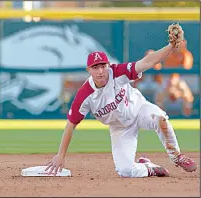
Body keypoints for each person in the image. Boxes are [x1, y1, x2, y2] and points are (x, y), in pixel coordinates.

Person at [45, 23, 197, 178]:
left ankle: (176, 156)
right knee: (125, 171)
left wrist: (171, 46)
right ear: (88, 70)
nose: (100, 71)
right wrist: (60, 155)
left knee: (160, 119)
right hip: (120, 128)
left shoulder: (117, 72)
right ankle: (149, 167)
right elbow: (71, 124)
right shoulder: (85, 95)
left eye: (103, 66)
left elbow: (147, 62)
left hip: (139, 110)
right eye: (95, 67)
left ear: (108, 65)